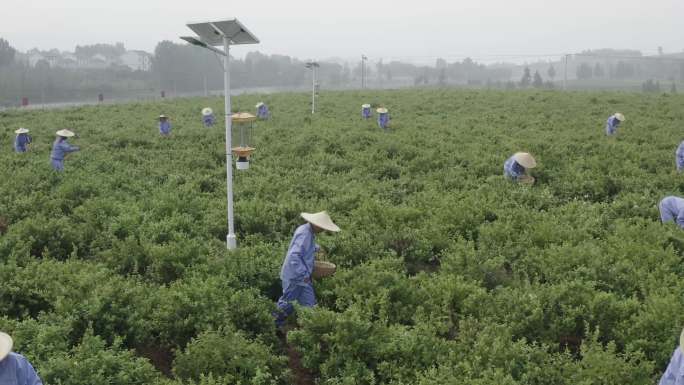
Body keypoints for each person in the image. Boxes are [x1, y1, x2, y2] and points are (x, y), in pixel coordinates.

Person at [273, 211, 341, 328]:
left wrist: (316, 248)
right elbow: (294, 256)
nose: (323, 230)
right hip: (296, 277)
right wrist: (304, 274)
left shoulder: (307, 231)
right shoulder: (305, 234)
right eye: (323, 228)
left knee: (309, 306)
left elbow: (304, 248)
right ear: (317, 225)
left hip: (303, 279)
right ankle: (272, 325)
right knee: (287, 304)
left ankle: (310, 331)